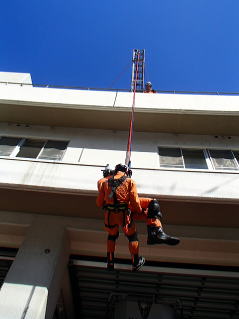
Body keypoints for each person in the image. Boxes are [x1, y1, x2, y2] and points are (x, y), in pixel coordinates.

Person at [96, 164, 145, 272]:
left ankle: (110, 261)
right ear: (126, 171)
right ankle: (135, 262)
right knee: (132, 236)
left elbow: (99, 203)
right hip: (124, 214)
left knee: (112, 236)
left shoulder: (104, 182)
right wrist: (139, 210)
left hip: (109, 215)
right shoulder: (130, 181)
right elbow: (135, 201)